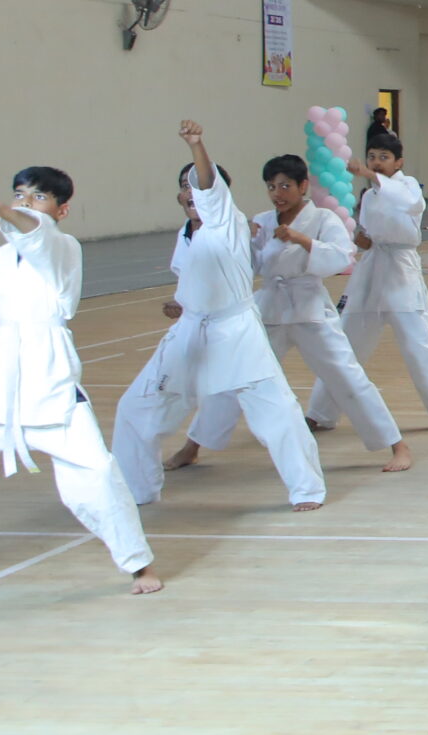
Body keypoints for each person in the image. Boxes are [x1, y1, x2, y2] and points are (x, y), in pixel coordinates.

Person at [0, 169, 161, 596]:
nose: (26, 203)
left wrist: (0, 209)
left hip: (47, 379)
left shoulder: (63, 246)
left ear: (62, 209)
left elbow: (37, 235)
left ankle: (139, 564)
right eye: (20, 195)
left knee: (95, 473)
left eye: (38, 197)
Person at [111, 124, 328, 512]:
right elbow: (199, 280)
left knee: (276, 412)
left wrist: (197, 146)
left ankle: (306, 488)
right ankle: (138, 487)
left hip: (235, 332)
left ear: (219, 196)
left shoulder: (227, 221)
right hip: (191, 333)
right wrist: (182, 304)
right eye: (185, 187)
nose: (191, 193)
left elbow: (209, 186)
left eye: (197, 186)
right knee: (135, 407)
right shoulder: (187, 233)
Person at [175, 154, 416, 476]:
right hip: (269, 309)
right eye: (271, 187)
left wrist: (302, 240)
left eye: (285, 186)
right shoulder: (262, 222)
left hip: (310, 308)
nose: (277, 193)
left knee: (347, 377)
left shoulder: (324, 219)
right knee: (232, 376)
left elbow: (341, 257)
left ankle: (396, 444)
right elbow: (244, 266)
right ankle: (193, 446)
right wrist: (243, 238)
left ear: (303, 186)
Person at [305, 133, 428, 436]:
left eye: (384, 157)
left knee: (418, 344)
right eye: (372, 157)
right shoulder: (369, 196)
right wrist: (359, 239)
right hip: (371, 270)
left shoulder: (408, 186)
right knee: (345, 344)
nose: (376, 162)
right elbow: (368, 234)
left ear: (399, 162)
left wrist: (369, 174)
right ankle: (321, 413)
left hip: (401, 270)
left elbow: (408, 202)